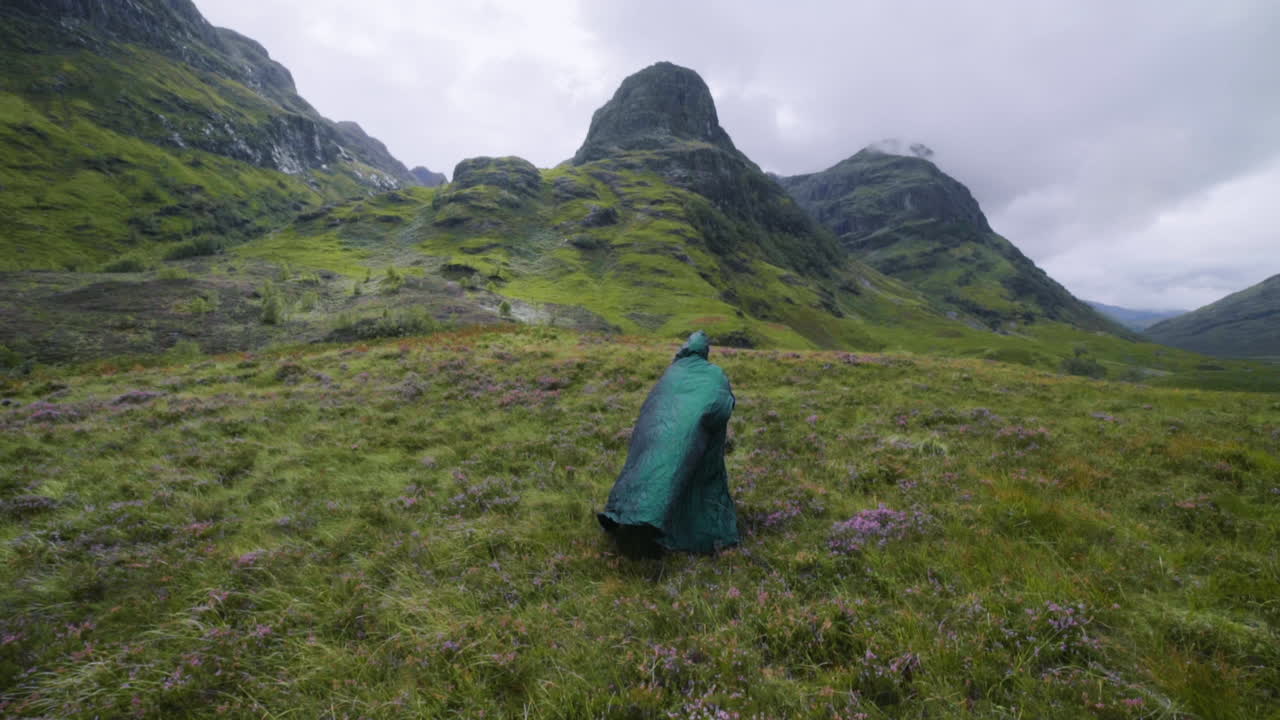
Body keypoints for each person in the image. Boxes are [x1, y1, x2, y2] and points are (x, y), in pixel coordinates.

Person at [598, 331, 738, 556]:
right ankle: (691, 533)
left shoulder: (672, 371)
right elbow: (722, 402)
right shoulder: (714, 373)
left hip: (655, 430)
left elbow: (656, 401)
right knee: (695, 477)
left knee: (648, 468)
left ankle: (629, 513)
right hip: (694, 434)